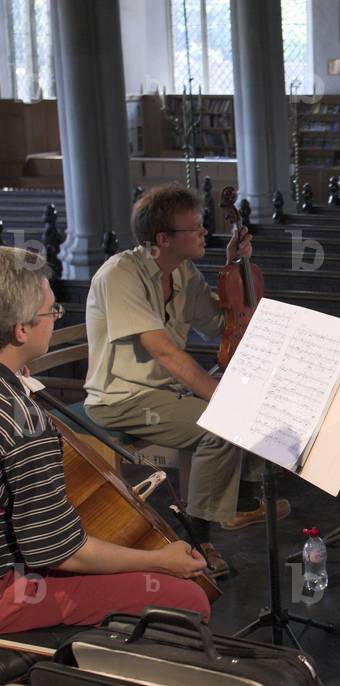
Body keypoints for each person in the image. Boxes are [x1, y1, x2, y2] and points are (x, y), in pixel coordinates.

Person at [83, 185, 290, 578]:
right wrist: (220, 397)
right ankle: (196, 538)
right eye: (194, 228)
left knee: (250, 393)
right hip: (122, 398)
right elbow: (164, 352)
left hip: (165, 391)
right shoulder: (120, 275)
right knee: (219, 426)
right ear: (163, 239)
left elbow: (220, 326)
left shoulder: (182, 271)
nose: (204, 233)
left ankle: (241, 502)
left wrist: (234, 270)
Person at [0, 246, 210, 633]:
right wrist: (159, 561)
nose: (56, 318)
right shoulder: (24, 423)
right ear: (21, 330)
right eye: (51, 311)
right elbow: (57, 550)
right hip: (8, 590)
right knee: (188, 599)